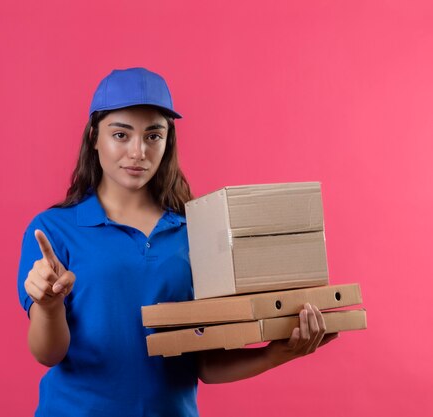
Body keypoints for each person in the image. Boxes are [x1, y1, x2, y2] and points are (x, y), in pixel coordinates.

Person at [17, 67, 338, 417]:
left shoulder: (196, 231)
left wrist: (278, 352)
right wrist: (49, 306)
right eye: (121, 135)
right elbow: (48, 354)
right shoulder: (52, 229)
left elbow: (202, 362)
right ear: (94, 137)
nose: (138, 151)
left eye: (153, 136)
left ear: (168, 140)